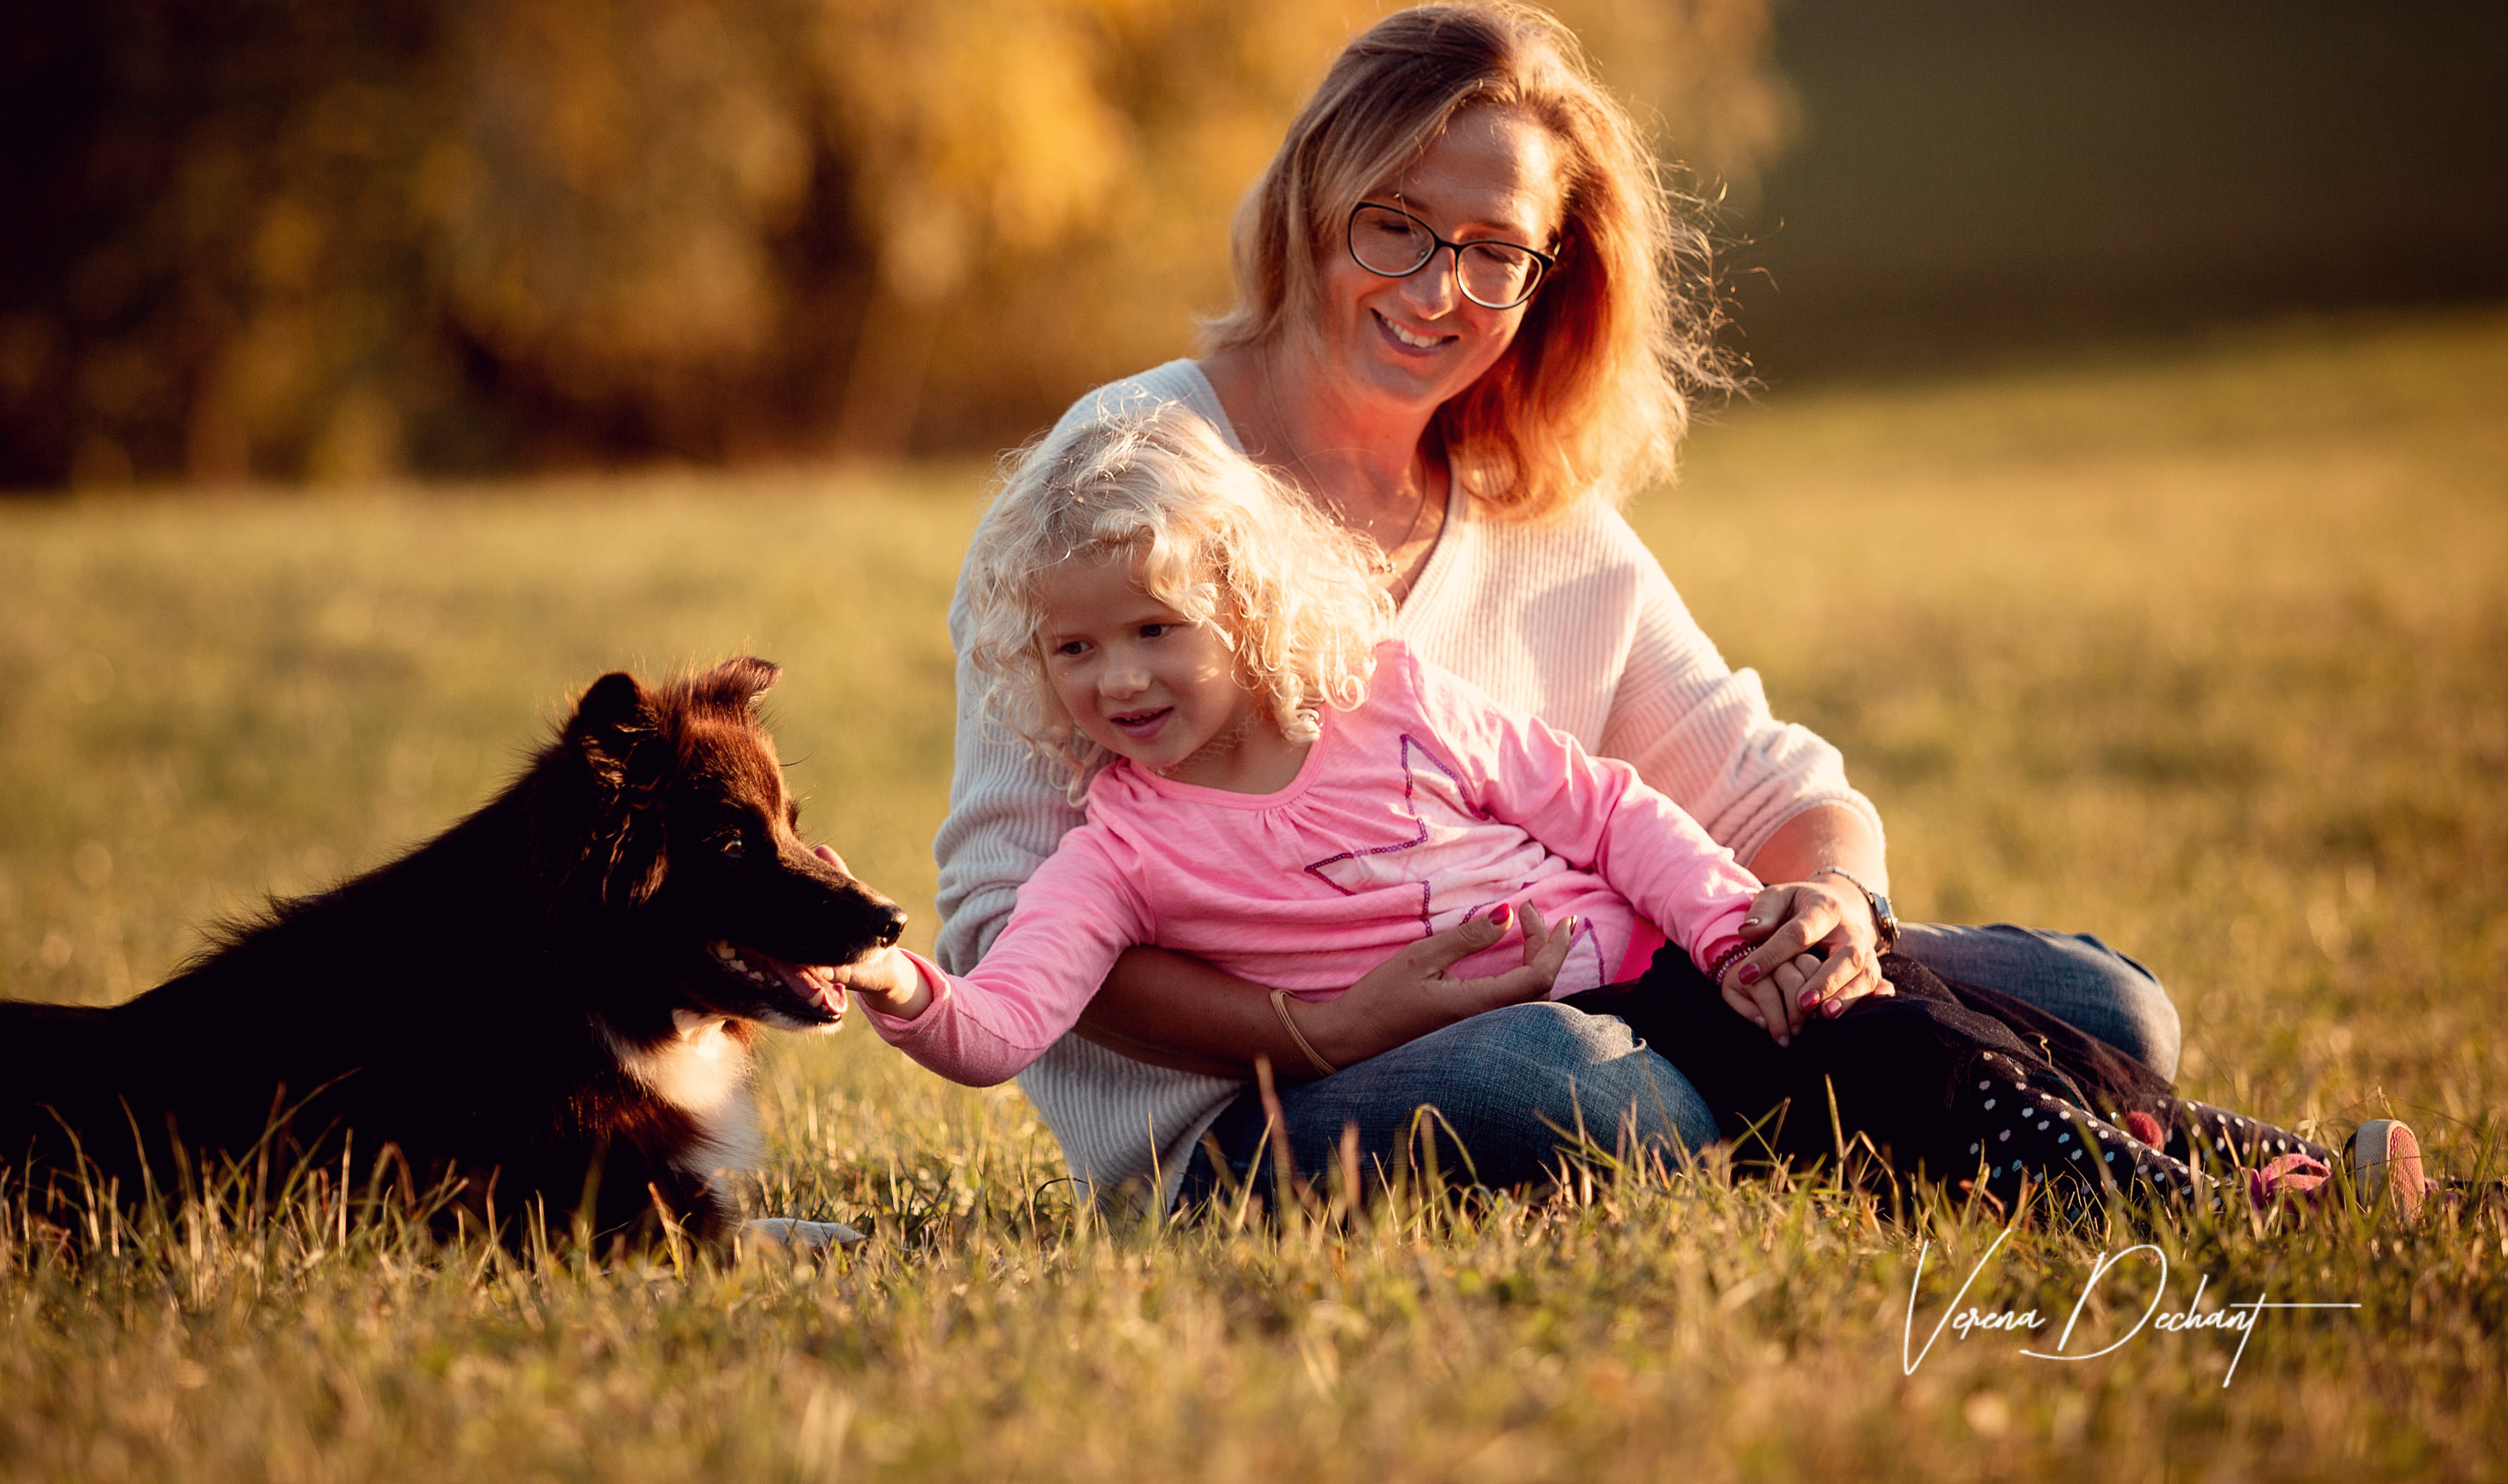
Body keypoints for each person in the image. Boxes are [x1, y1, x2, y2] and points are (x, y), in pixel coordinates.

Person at [932, 0, 2189, 1208]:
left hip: (1624, 995)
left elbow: (1767, 789)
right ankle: (1895, 1111)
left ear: (1551, 279)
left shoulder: (1542, 519)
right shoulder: (1124, 475)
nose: (1436, 291)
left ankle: (1917, 1100)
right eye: (1396, 226)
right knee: (1576, 1090)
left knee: (2101, 1007)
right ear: (1315, 206)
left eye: (1496, 255)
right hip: (1253, 1117)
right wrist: (1324, 1031)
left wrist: (1835, 913)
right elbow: (1001, 918)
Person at [852, 407, 2422, 1216]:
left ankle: (2242, 1158)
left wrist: (1743, 921)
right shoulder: (1115, 852)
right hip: (1550, 1032)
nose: (1117, 680)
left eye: (1153, 633)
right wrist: (881, 979)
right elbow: (1001, 1024)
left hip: (1669, 955)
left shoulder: (1387, 701)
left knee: (1940, 1000)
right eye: (1074, 649)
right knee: (1873, 1052)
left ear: (1246, 617)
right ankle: (2124, 1189)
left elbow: (1604, 807)